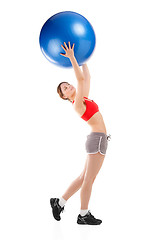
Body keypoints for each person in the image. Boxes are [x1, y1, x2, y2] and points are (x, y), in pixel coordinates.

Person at [50, 42, 111, 225]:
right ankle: (83, 214)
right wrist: (72, 58)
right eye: (65, 89)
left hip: (97, 139)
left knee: (83, 177)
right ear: (65, 97)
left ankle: (59, 202)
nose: (69, 87)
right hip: (97, 140)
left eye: (68, 84)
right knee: (89, 180)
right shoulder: (77, 104)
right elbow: (81, 80)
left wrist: (84, 59)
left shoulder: (83, 98)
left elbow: (87, 78)